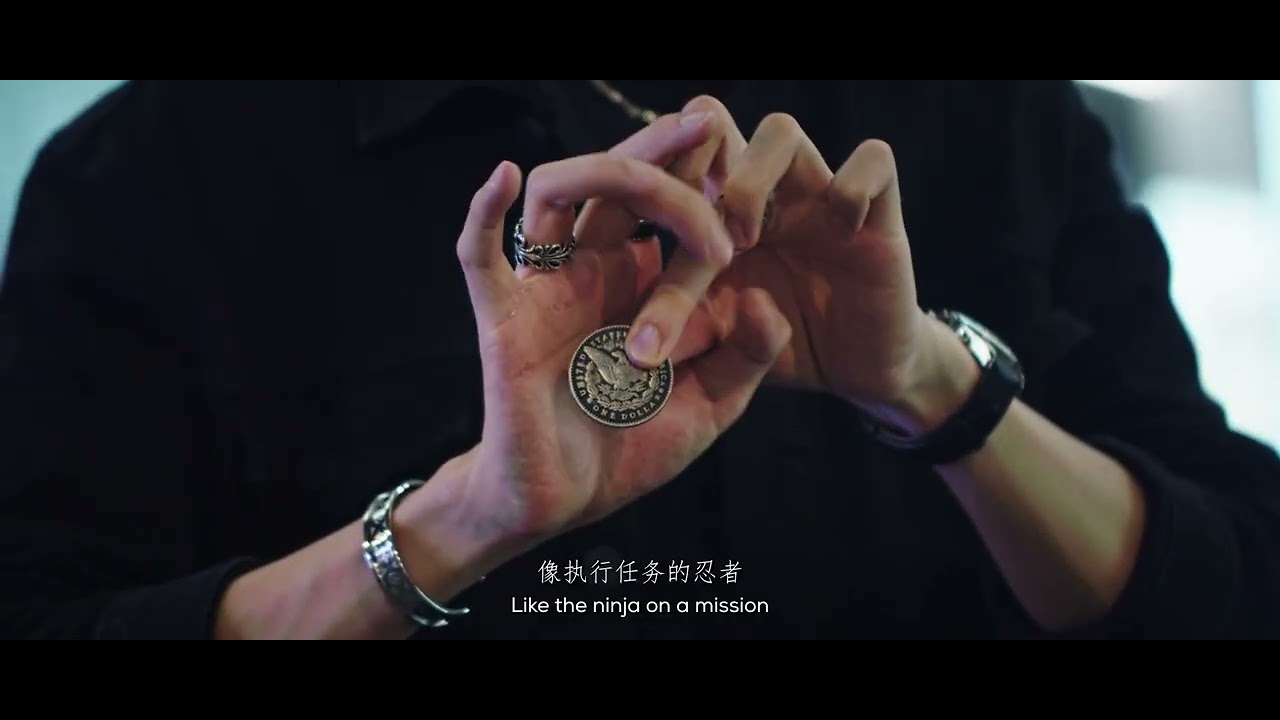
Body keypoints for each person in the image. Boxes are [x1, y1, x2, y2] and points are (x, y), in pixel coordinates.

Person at [1, 80, 1278, 640]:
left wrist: (926, 383)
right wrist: (466, 518)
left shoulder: (988, 113)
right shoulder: (155, 173)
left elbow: (1235, 580)